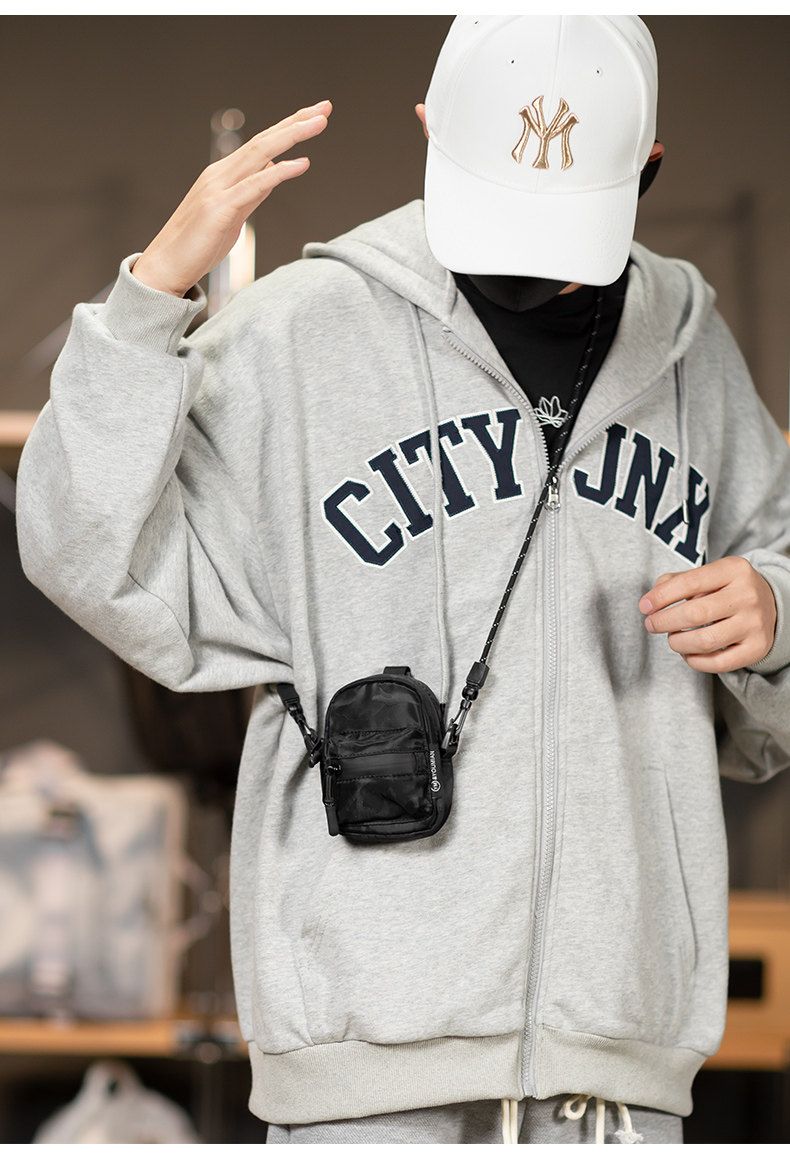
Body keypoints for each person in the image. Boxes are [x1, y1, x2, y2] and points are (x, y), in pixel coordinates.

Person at [15, 15, 790, 1146]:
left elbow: (775, 554)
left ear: (650, 169)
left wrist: (772, 607)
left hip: (619, 1064)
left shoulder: (689, 348)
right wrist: (148, 298)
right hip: (362, 1065)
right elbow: (79, 544)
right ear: (428, 129)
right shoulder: (297, 332)